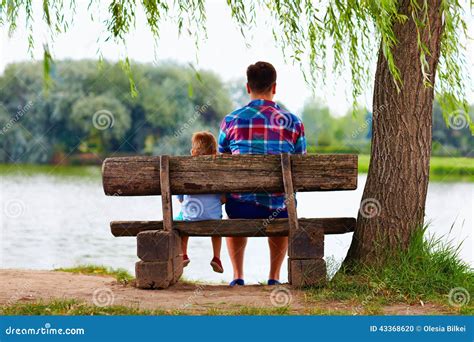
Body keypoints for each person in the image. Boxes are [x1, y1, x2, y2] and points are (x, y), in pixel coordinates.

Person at [218, 61, 306, 286]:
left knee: (235, 205)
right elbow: (301, 166)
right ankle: (274, 277)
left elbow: (221, 164)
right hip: (281, 209)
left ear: (248, 87)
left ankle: (238, 276)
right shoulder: (293, 122)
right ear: (274, 87)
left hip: (240, 207)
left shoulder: (231, 121)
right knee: (283, 200)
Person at [178, 131, 225, 273]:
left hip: (190, 218)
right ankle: (216, 257)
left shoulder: (185, 170)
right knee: (217, 225)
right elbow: (223, 198)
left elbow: (180, 198)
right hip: (213, 218)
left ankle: (183, 255)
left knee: (181, 218)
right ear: (215, 153)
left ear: (193, 152)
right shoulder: (218, 172)